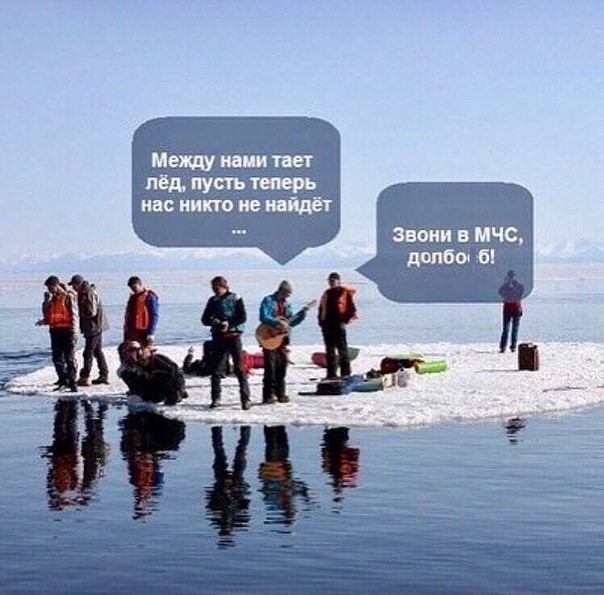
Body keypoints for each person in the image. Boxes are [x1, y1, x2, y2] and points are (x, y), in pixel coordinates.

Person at [201, 276, 251, 410]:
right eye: (213, 288)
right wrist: (214, 322)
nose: (215, 291)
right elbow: (204, 319)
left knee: (239, 368)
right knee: (216, 369)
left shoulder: (236, 298)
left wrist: (229, 323)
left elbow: (242, 317)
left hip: (234, 336)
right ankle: (215, 398)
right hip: (219, 337)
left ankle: (245, 398)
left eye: (217, 288)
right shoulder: (212, 300)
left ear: (224, 287)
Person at [259, 280, 309, 404]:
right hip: (269, 337)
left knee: (282, 368)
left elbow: (290, 323)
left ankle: (280, 393)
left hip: (282, 339)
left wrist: (302, 316)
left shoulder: (287, 304)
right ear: (281, 290)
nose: (288, 296)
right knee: (270, 368)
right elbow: (263, 316)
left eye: (289, 294)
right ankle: (268, 395)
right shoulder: (268, 300)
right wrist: (277, 322)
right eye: (287, 293)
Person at [36, 275, 79, 392]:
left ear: (56, 285)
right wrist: (45, 302)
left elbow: (75, 314)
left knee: (69, 358)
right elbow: (48, 315)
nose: (49, 290)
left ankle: (72, 382)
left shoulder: (68, 297)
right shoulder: (52, 300)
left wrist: (74, 331)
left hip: (67, 330)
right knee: (57, 358)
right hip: (55, 331)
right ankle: (63, 381)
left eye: (51, 287)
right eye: (48, 288)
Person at [68, 274, 110, 386]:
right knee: (97, 351)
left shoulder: (88, 293)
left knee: (88, 352)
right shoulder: (84, 292)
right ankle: (104, 374)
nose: (73, 288)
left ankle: (85, 376)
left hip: (94, 327)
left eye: (74, 285)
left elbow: (91, 312)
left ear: (78, 284)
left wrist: (78, 313)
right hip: (94, 326)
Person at [117, 341, 188, 405]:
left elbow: (174, 372)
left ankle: (175, 393)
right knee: (126, 374)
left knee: (162, 377)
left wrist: (178, 389)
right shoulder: (129, 366)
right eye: (125, 353)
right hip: (152, 388)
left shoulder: (157, 359)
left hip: (168, 385)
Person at [318, 272, 357, 379]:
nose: (331, 283)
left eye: (333, 281)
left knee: (342, 349)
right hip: (327, 325)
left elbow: (352, 309)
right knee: (329, 350)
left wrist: (344, 321)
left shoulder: (344, 292)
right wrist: (321, 322)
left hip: (339, 324)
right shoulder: (327, 293)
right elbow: (321, 308)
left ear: (338, 281)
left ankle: (345, 373)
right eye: (329, 281)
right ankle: (331, 374)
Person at [123, 276, 159, 349]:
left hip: (144, 332)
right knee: (130, 352)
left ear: (140, 285)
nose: (133, 290)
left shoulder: (149, 297)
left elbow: (154, 316)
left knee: (145, 352)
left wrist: (151, 333)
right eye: (131, 288)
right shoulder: (133, 298)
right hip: (132, 331)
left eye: (135, 287)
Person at [498, 270, 524, 353]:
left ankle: (513, 346)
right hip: (507, 309)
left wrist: (511, 289)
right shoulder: (504, 286)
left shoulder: (519, 286)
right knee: (505, 329)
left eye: (512, 277)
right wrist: (507, 287)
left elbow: (519, 295)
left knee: (514, 329)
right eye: (510, 277)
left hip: (516, 309)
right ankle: (503, 347)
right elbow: (501, 293)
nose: (511, 278)